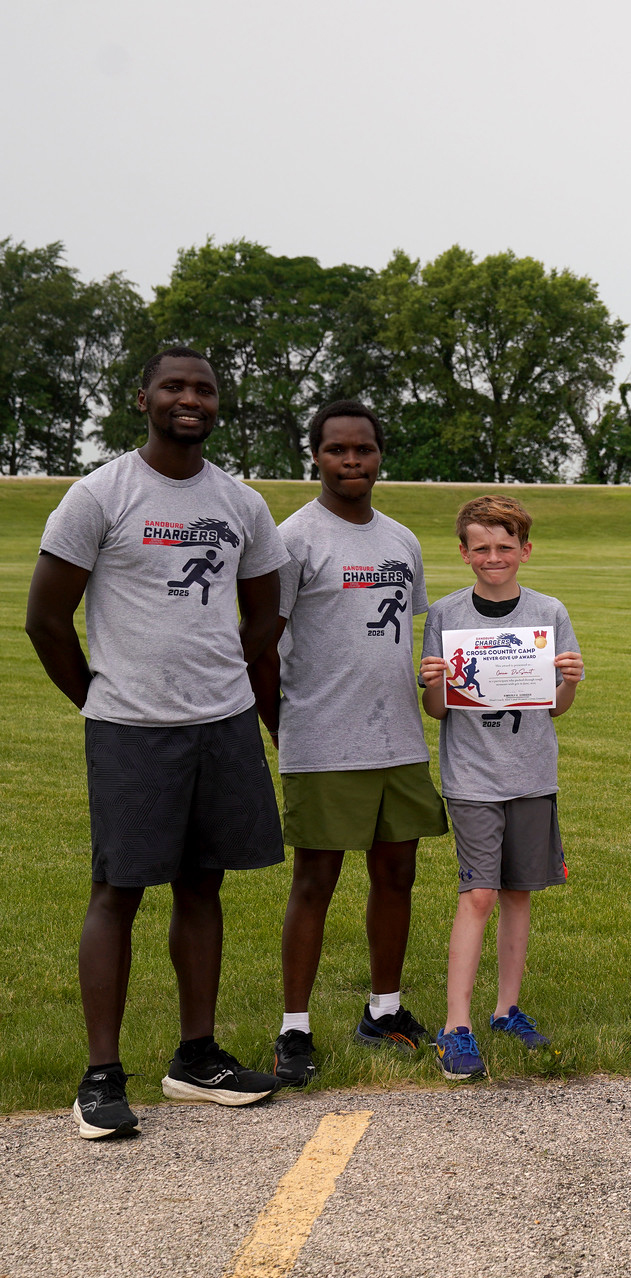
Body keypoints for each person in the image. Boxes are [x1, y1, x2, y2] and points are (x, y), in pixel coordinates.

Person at [27, 346, 289, 1139]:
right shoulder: (99, 494)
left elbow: (267, 612)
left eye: (204, 390)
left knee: (203, 884)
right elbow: (45, 619)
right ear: (142, 397)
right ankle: (100, 1078)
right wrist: (101, 697)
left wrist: (223, 681)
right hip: (132, 730)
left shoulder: (240, 502)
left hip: (221, 724)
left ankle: (197, 1058)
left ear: (218, 404)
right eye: (174, 387)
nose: (190, 399)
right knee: (118, 891)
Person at [258, 401, 447, 1086]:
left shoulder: (401, 541)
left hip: (397, 738)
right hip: (323, 739)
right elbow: (263, 650)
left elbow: (405, 638)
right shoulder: (293, 540)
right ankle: (295, 1028)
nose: (351, 461)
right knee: (316, 880)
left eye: (363, 449)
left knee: (397, 873)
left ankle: (384, 1010)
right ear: (314, 455)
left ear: (379, 455)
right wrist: (285, 729)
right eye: (337, 449)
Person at [419, 496, 584, 1081]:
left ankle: (505, 1009)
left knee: (518, 894)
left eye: (505, 547)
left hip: (532, 775)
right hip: (474, 778)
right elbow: (437, 709)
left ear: (525, 550)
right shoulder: (445, 614)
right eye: (481, 548)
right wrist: (433, 682)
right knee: (479, 895)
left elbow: (557, 707)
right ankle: (455, 1026)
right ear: (464, 553)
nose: (494, 557)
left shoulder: (548, 611)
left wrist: (568, 682)